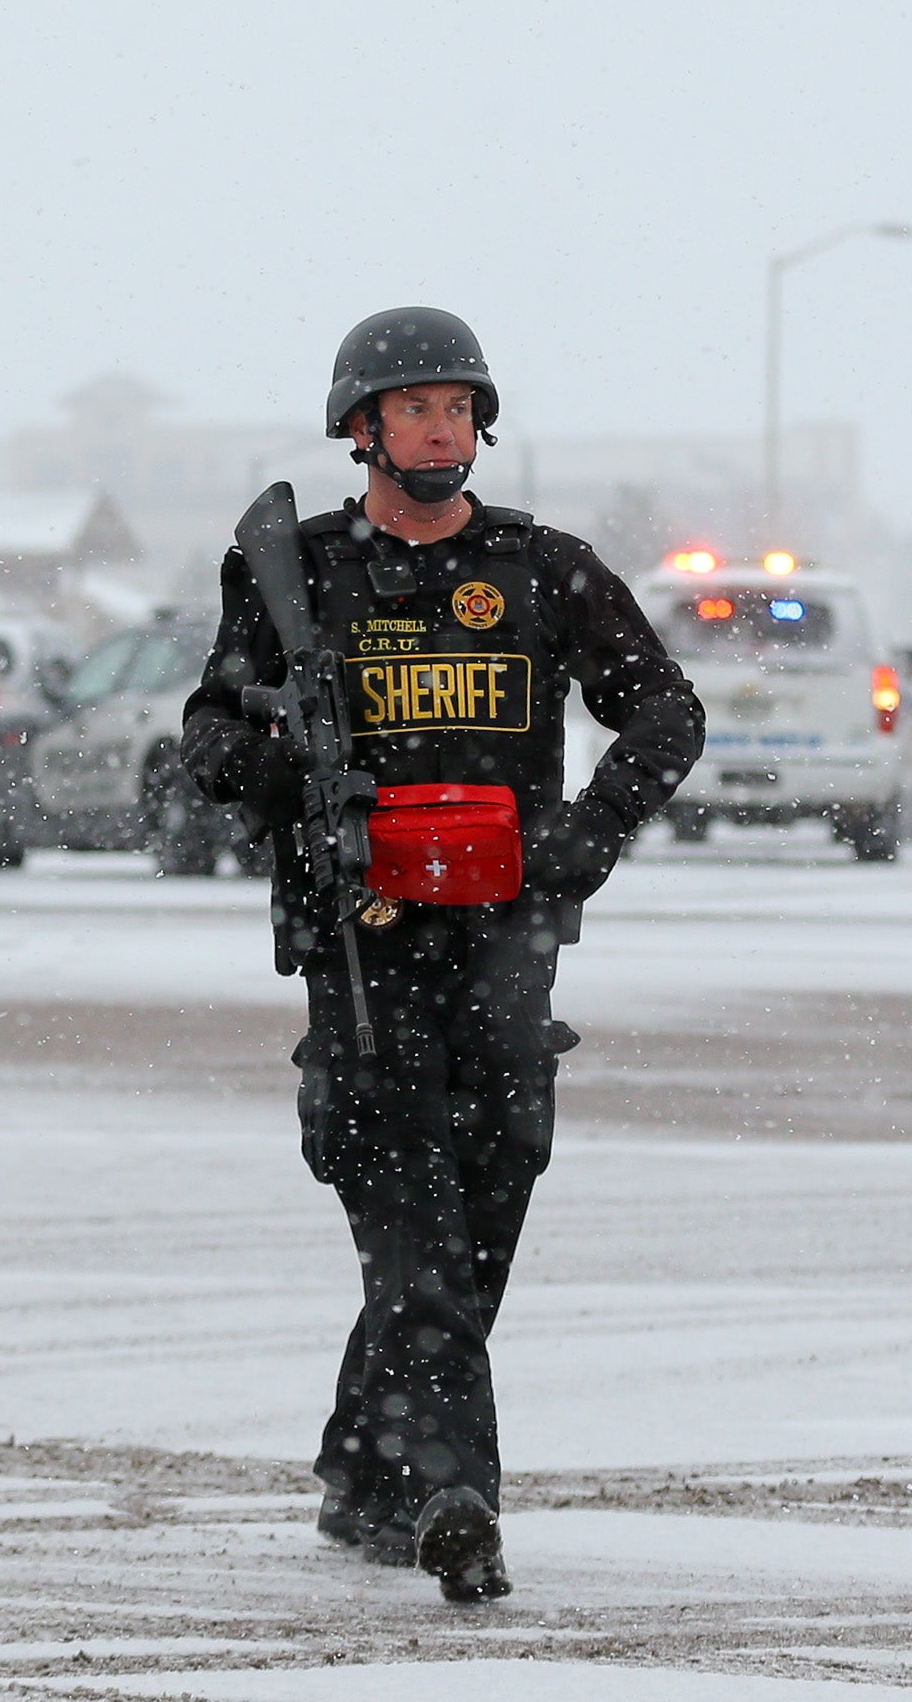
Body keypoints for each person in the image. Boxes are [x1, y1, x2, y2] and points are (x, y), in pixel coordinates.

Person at [180, 308, 704, 1602]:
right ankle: (450, 1491)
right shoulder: (291, 573)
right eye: (413, 408)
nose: (439, 431)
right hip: (363, 946)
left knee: (492, 1187)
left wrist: (581, 842)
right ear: (361, 429)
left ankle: (365, 1463)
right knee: (410, 1208)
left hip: (507, 941)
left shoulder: (541, 568)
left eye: (459, 409)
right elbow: (206, 738)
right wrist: (285, 763)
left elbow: (667, 712)